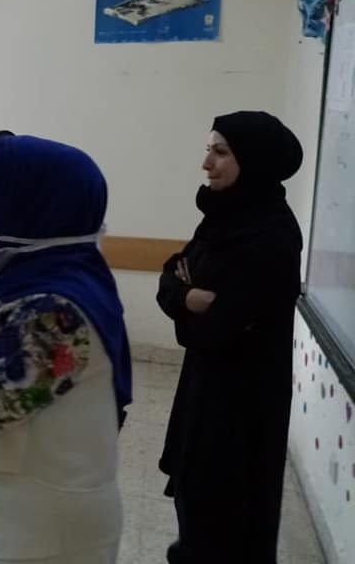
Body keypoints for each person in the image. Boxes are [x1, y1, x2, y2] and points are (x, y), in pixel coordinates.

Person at [0, 132, 131, 564]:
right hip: (12, 518)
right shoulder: (36, 286)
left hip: (39, 539)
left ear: (24, 208)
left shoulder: (55, 316)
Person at [156, 111, 303, 564]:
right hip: (205, 388)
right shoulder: (224, 218)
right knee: (195, 504)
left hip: (242, 404)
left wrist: (189, 304)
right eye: (209, 150)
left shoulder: (272, 236)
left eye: (220, 152)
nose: (206, 163)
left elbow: (217, 329)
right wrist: (188, 296)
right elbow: (171, 275)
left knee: (228, 519)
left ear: (253, 161)